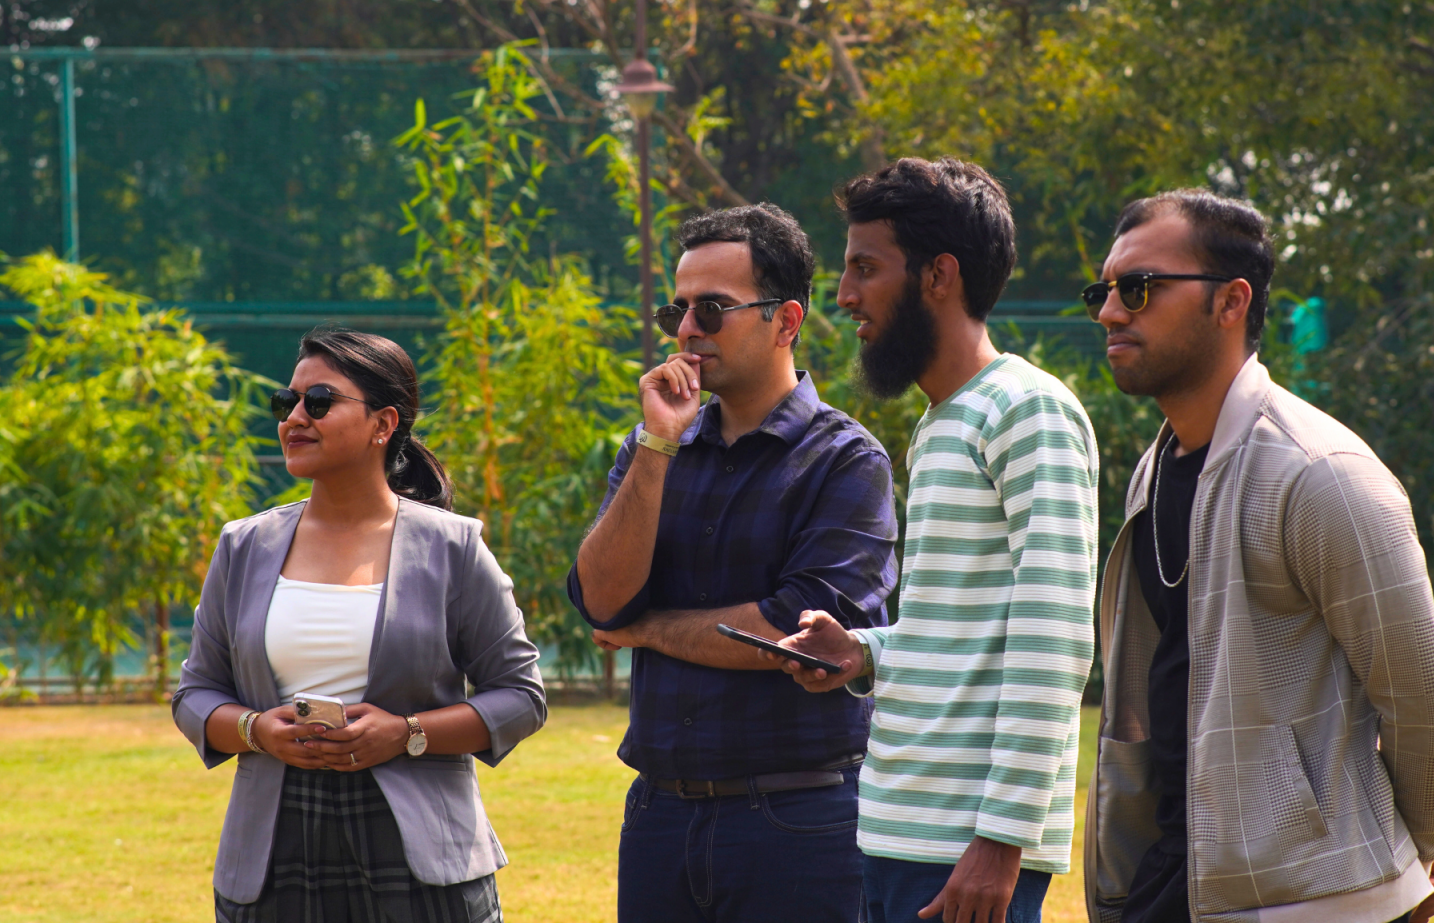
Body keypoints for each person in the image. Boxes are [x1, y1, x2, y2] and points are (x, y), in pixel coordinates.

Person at [1078, 189, 1434, 923]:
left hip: (1305, 897)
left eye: (1138, 289)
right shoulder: (1153, 470)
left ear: (1231, 302)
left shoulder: (1321, 474)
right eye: (1104, 291)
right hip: (1172, 875)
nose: (1109, 312)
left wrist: (1407, 856)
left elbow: (1425, 701)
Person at [768, 157, 1100, 923]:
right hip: (896, 828)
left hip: (966, 851)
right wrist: (865, 651)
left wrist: (1001, 839)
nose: (844, 295)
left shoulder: (1027, 410)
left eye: (864, 268)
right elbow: (963, 626)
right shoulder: (942, 420)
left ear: (938, 276)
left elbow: (1054, 638)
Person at [566, 203, 900, 923]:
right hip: (657, 814)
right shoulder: (652, 446)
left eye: (711, 310)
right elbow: (601, 603)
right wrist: (657, 446)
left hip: (800, 820)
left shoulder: (846, 460)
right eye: (676, 311)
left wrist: (648, 631)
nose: (687, 331)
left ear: (785, 321)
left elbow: (797, 631)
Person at [172, 327, 546, 923]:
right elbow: (194, 694)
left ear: (383, 423)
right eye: (286, 402)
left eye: (318, 402)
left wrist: (407, 732)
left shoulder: (453, 547)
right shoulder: (243, 546)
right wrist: (254, 730)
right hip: (273, 849)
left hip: (422, 853)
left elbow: (521, 697)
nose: (294, 417)